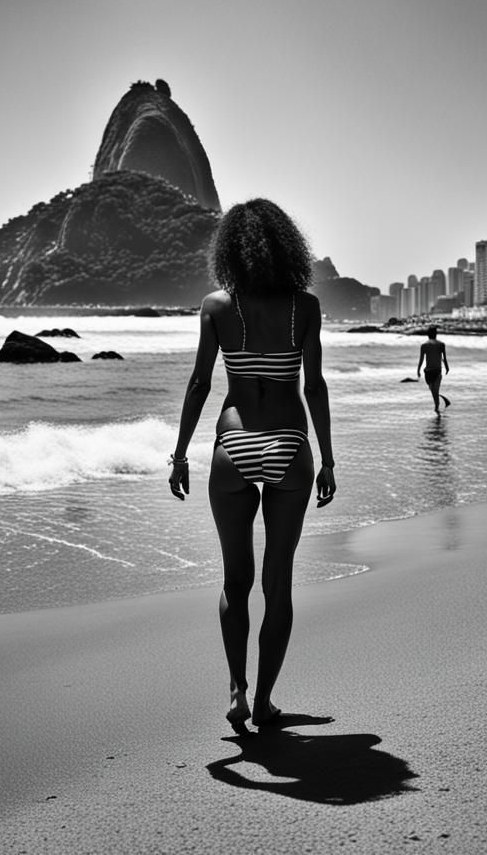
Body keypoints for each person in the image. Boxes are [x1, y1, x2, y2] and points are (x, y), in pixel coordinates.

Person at [168, 199, 336, 732]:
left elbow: (199, 384)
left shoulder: (217, 306)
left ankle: (236, 691)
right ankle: (265, 703)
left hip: (232, 443)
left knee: (234, 579)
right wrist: (328, 459)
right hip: (288, 440)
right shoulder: (303, 307)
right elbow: (313, 386)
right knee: (277, 583)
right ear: (289, 246)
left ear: (230, 251)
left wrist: (178, 454)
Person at [416, 326, 450, 414]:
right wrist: (446, 367)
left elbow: (421, 359)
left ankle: (437, 408)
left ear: (428, 334)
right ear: (436, 334)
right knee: (435, 390)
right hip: (437, 371)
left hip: (428, 372)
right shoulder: (441, 344)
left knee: (434, 390)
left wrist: (418, 370)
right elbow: (444, 358)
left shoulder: (424, 345)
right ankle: (437, 408)